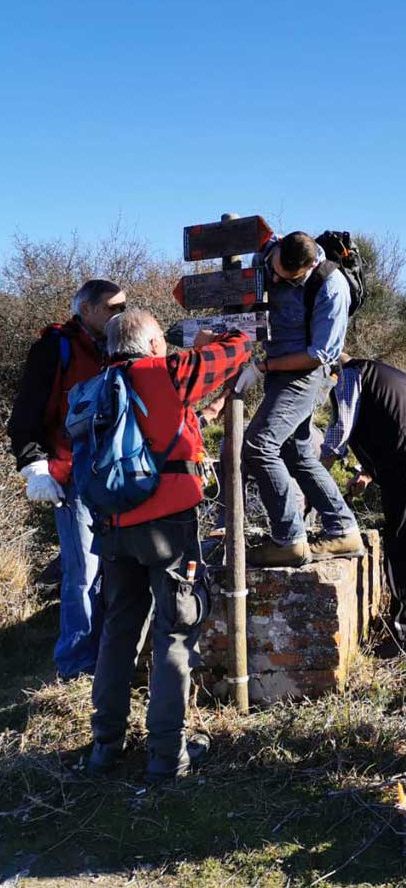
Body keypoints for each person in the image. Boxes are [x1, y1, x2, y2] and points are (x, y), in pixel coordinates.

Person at [85, 309, 251, 781]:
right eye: (163, 339)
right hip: (168, 526)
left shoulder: (94, 388)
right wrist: (205, 334)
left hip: (113, 528)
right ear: (155, 344)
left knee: (118, 633)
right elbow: (240, 346)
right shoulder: (170, 373)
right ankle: (166, 755)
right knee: (175, 633)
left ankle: (105, 747)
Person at [7, 279, 126, 678]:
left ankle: (110, 657)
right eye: (112, 306)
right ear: (87, 309)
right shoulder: (54, 347)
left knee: (117, 566)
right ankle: (77, 666)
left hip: (119, 474)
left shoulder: (119, 345)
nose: (120, 313)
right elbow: (26, 412)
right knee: (83, 571)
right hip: (72, 474)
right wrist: (33, 465)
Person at [242, 231, 363, 565]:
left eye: (286, 277)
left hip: (304, 374)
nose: (277, 278)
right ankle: (343, 529)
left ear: (310, 265)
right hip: (278, 369)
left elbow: (321, 354)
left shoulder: (332, 287)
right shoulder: (267, 254)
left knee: (258, 446)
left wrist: (263, 366)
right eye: (275, 270)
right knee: (295, 452)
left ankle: (289, 539)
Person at [321, 357, 406, 657]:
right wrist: (367, 473)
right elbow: (394, 421)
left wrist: (317, 473)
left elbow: (343, 425)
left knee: (403, 547)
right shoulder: (389, 373)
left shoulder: (350, 375)